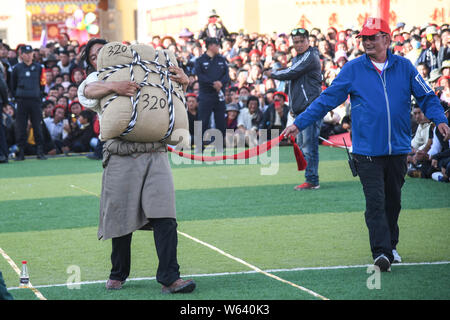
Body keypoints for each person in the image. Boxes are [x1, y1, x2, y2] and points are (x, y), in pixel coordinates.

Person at [282, 17, 450, 272]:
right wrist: (299, 123)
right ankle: (381, 252)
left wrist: (439, 119)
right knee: (375, 201)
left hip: (398, 150)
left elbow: (426, 95)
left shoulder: (405, 67)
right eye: (365, 38)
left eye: (373, 37)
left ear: (387, 38)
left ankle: (391, 245)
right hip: (365, 152)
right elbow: (325, 100)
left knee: (393, 201)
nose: (368, 42)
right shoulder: (352, 69)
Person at [77, 38, 196, 294]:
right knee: (121, 217)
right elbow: (86, 93)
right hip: (121, 154)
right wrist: (114, 87)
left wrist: (184, 81)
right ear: (90, 63)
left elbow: (171, 95)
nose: (98, 57)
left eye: (102, 52)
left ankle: (170, 278)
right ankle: (118, 273)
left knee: (165, 215)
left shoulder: (143, 70)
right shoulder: (95, 79)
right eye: (93, 56)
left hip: (156, 152)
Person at [267, 27, 323, 190]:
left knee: (308, 144)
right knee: (303, 143)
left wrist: (273, 73)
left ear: (308, 41)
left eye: (301, 41)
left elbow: (291, 73)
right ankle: (310, 177)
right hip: (300, 109)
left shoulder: (310, 56)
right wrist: (292, 107)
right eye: (295, 42)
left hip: (310, 108)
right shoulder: (299, 57)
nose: (298, 45)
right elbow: (294, 83)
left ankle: (312, 179)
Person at [11, 45, 47, 160]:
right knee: (20, 126)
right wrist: (16, 96)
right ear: (21, 55)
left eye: (30, 53)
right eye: (25, 53)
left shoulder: (39, 67)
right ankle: (20, 152)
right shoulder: (16, 68)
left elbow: (43, 83)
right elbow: (12, 84)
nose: (28, 55)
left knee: (37, 125)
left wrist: (39, 95)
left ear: (33, 54)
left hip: (35, 101)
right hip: (21, 100)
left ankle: (40, 151)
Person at [194, 37, 230, 151]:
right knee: (202, 121)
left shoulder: (222, 59)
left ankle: (220, 145)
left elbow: (226, 75)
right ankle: (199, 146)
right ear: (210, 46)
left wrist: (220, 83)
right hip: (206, 95)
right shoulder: (200, 60)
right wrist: (212, 83)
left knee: (221, 121)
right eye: (217, 45)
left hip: (219, 95)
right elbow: (200, 76)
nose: (219, 47)